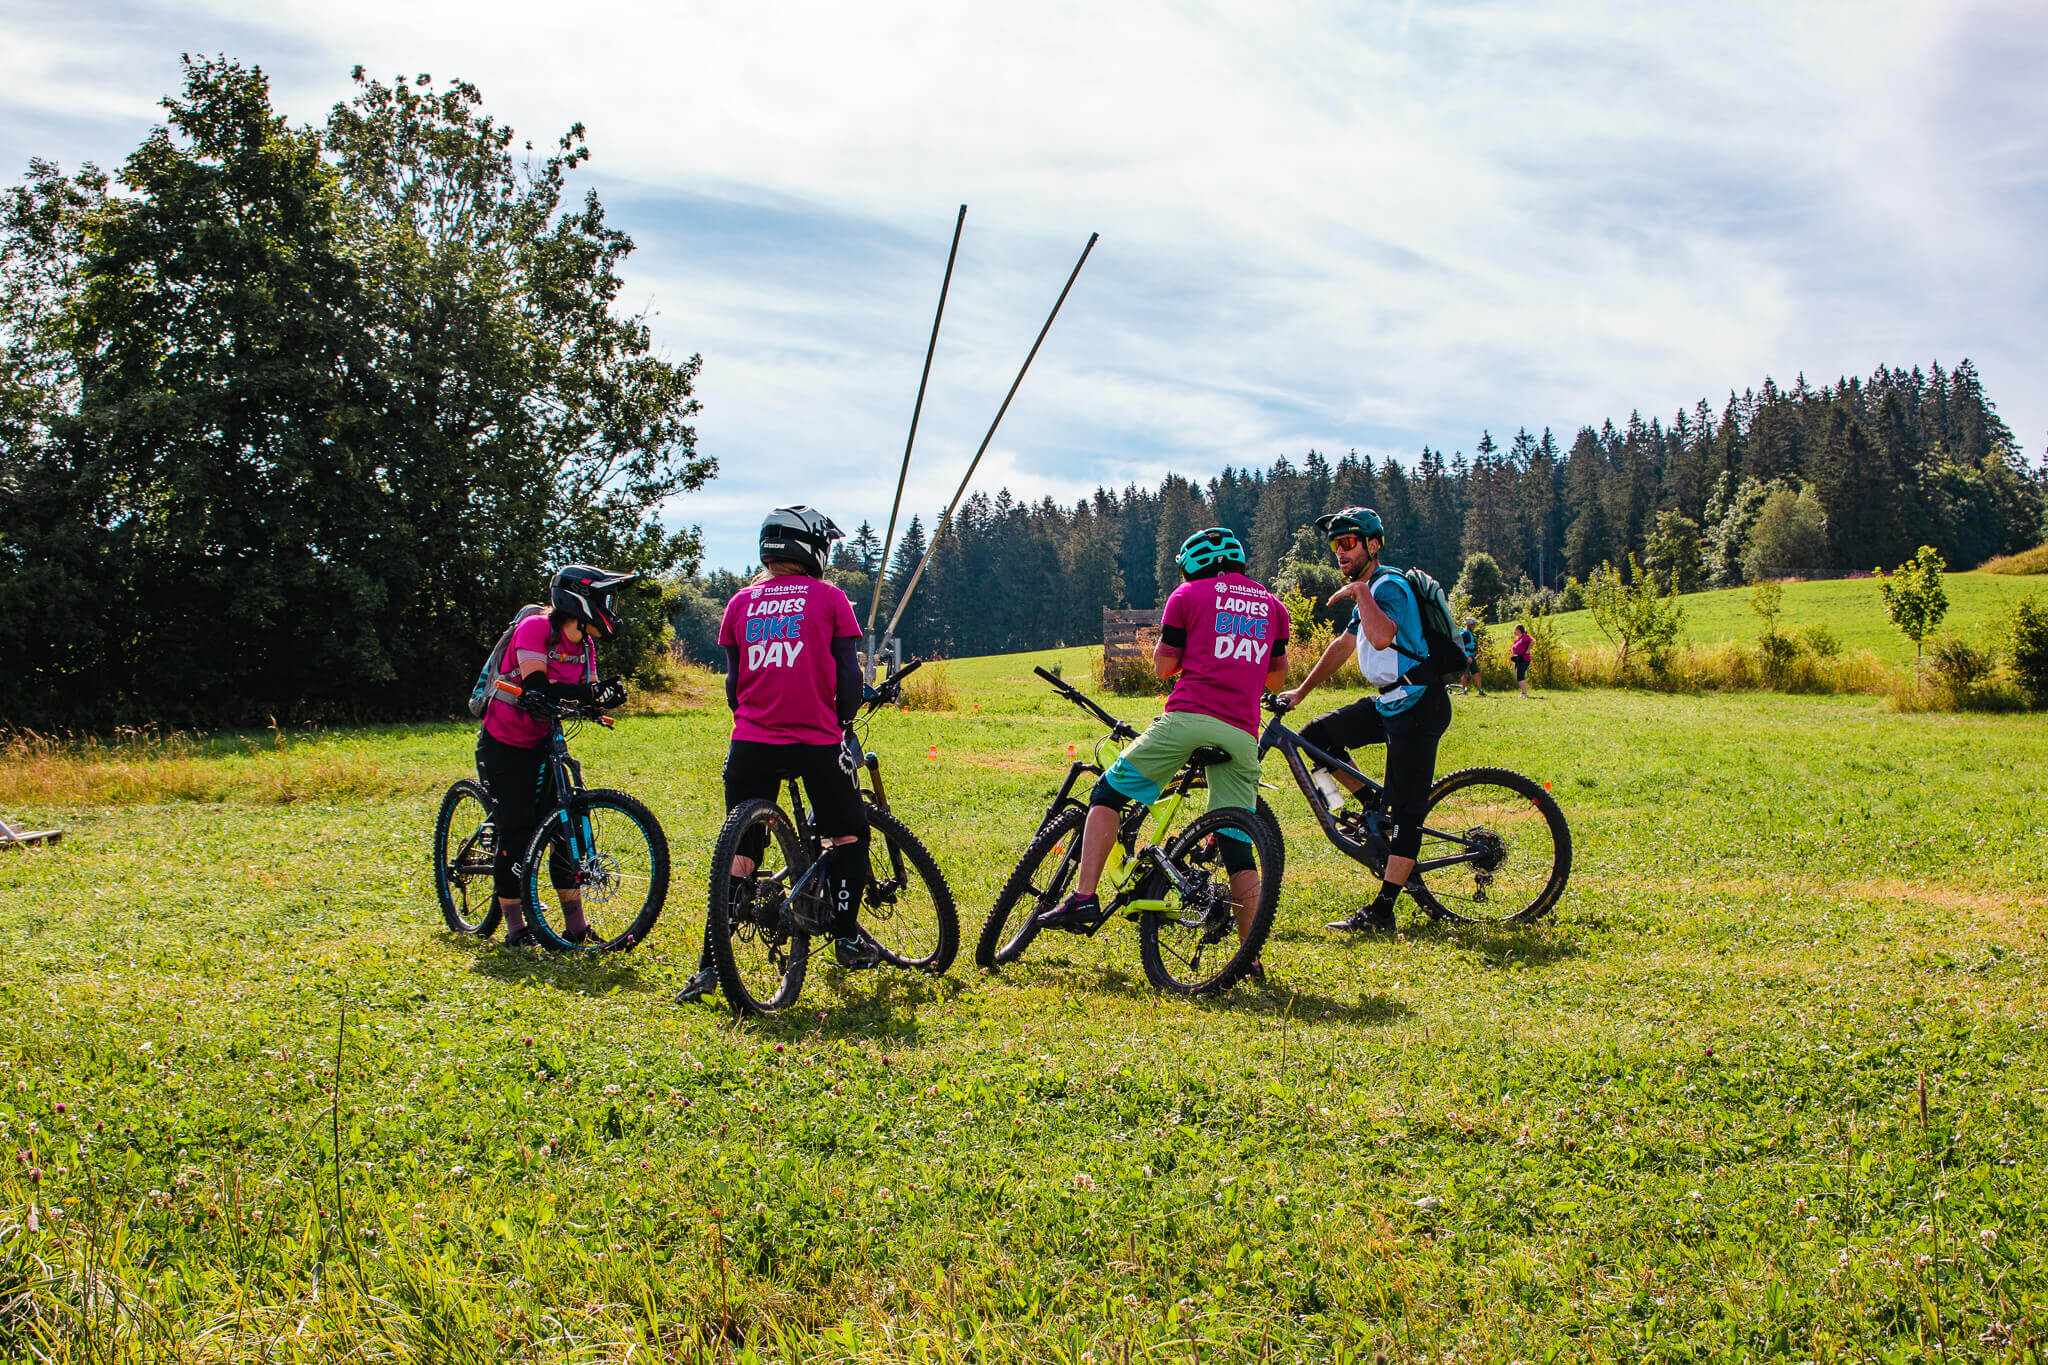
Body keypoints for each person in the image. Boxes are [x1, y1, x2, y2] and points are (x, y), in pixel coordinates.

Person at [1032, 528, 1288, 979]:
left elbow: (1164, 666)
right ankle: (1250, 959)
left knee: (1107, 795)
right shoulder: (1272, 606)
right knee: (1237, 847)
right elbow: (1276, 679)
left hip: (1188, 718)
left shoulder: (1187, 595)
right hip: (1244, 732)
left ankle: (1084, 897)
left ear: (1193, 564)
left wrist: (1199, 656)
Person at [676, 506, 883, 1003]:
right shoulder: (831, 599)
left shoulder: (739, 603)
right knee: (847, 834)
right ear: (812, 547)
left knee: (740, 853)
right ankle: (847, 935)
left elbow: (733, 685)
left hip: (750, 743)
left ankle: (710, 964)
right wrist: (844, 717)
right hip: (814, 742)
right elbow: (848, 680)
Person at [1276, 507, 1453, 934]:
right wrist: (1301, 692)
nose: (1340, 552)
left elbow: (1382, 636)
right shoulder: (1371, 587)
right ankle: (1368, 807)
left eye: (1349, 543)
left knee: (1409, 813)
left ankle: (1383, 909)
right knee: (1313, 739)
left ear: (1373, 545)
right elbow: (1344, 645)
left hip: (1419, 702)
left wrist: (1361, 592)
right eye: (1336, 545)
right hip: (1389, 702)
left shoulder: (1386, 585)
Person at [476, 565, 634, 947]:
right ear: (580, 600)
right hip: (504, 744)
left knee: (566, 830)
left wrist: (604, 698)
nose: (609, 608)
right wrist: (589, 695)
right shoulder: (535, 630)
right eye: (604, 599)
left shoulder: (586, 646)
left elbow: (586, 693)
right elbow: (536, 685)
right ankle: (515, 929)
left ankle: (576, 928)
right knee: (517, 829)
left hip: (544, 741)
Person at [1457, 616, 1485, 695]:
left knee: (1477, 673)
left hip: (1472, 656)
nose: (1475, 626)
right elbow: (1461, 647)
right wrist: (1467, 656)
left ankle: (1480, 690)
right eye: (1473, 624)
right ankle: (1464, 690)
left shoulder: (1471, 633)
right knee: (1465, 674)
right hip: (1466, 657)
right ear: (1470, 625)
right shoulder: (1464, 634)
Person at [1512, 622, 1534, 696]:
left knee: (1520, 675)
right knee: (1518, 675)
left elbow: (1532, 641)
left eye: (1515, 629)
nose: (1514, 631)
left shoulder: (1525, 637)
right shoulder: (1518, 639)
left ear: (1519, 630)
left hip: (1524, 659)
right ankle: (1523, 692)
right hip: (1518, 659)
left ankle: (1524, 693)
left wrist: (1527, 650)